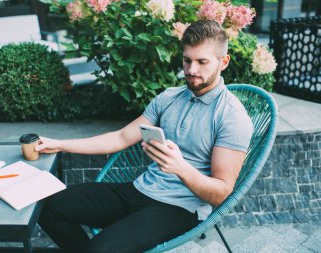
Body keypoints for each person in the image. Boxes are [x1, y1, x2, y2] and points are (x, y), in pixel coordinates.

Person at [36, 20, 253, 253]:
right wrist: (60, 145)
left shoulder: (232, 117)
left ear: (224, 62)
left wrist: (180, 168)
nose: (191, 70)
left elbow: (221, 194)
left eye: (202, 62)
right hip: (140, 190)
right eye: (187, 60)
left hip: (180, 209)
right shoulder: (169, 98)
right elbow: (120, 137)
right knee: (47, 206)